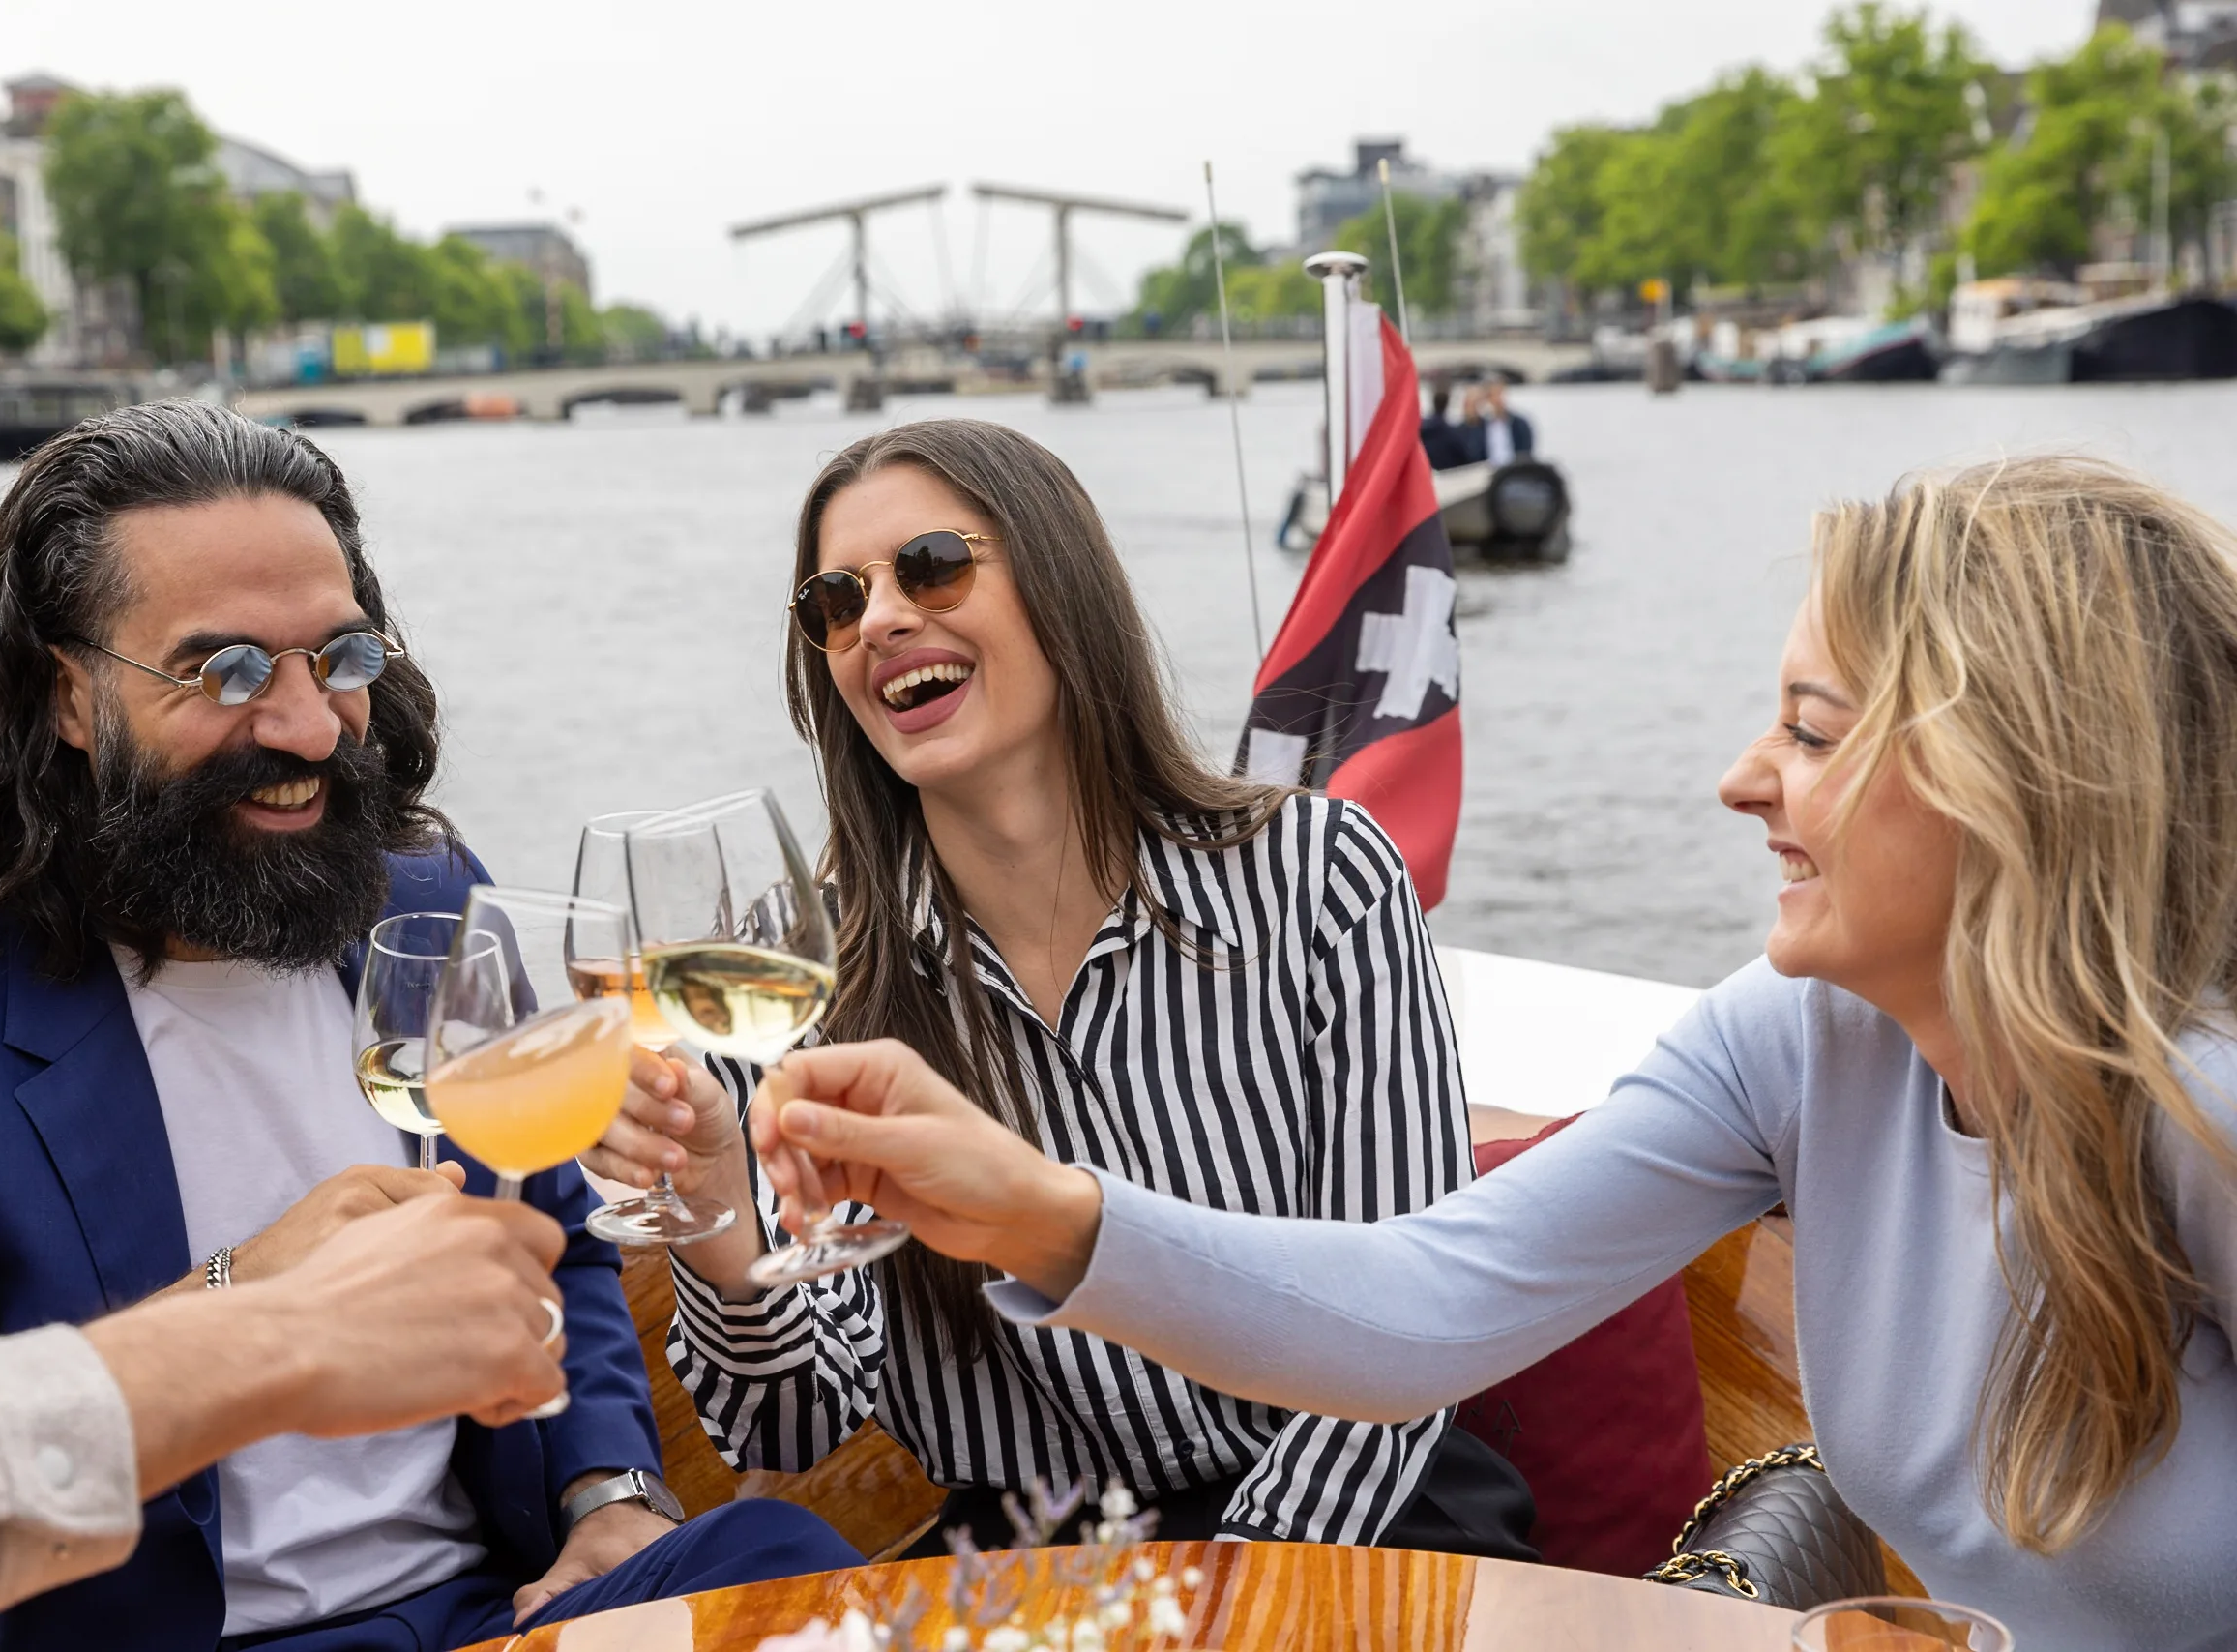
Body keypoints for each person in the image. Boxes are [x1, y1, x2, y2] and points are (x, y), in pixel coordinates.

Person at [739, 456, 2237, 1652]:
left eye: (1813, 730)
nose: (1741, 779)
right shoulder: (1793, 1044)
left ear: (2016, 778)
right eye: (836, 595)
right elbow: (1426, 1303)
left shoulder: (2208, 1117)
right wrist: (1026, 1208)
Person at [0, 402, 857, 1652]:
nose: (306, 726)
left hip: (494, 1616)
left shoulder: (432, 907)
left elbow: (551, 1233)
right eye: (224, 672)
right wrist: (243, 1297)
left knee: (786, 1574)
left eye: (338, 659)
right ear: (66, 696)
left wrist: (606, 1493)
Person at [587, 419, 1532, 1558]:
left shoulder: (1320, 879)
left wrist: (1232, 1594)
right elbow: (788, 1418)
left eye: (931, 566)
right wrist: (715, 1209)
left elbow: (1408, 1319)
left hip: (1358, 1511)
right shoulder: (800, 973)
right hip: (1035, 1558)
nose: (880, 617)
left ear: (1060, 582)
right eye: (836, 600)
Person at [0, 1193, 572, 1652]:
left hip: (511, 1601)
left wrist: (611, 1491)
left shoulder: (429, 900)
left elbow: (568, 1242)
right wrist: (266, 1323)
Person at [1467, 377, 1535, 465]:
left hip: (1513, 471)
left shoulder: (1519, 424)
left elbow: (1525, 452)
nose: (1497, 400)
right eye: (1492, 396)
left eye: (1499, 394)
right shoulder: (1479, 426)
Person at [1419, 383, 1476, 471]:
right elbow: (1464, 457)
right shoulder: (1450, 432)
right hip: (1449, 475)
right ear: (1447, 404)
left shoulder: (1423, 430)